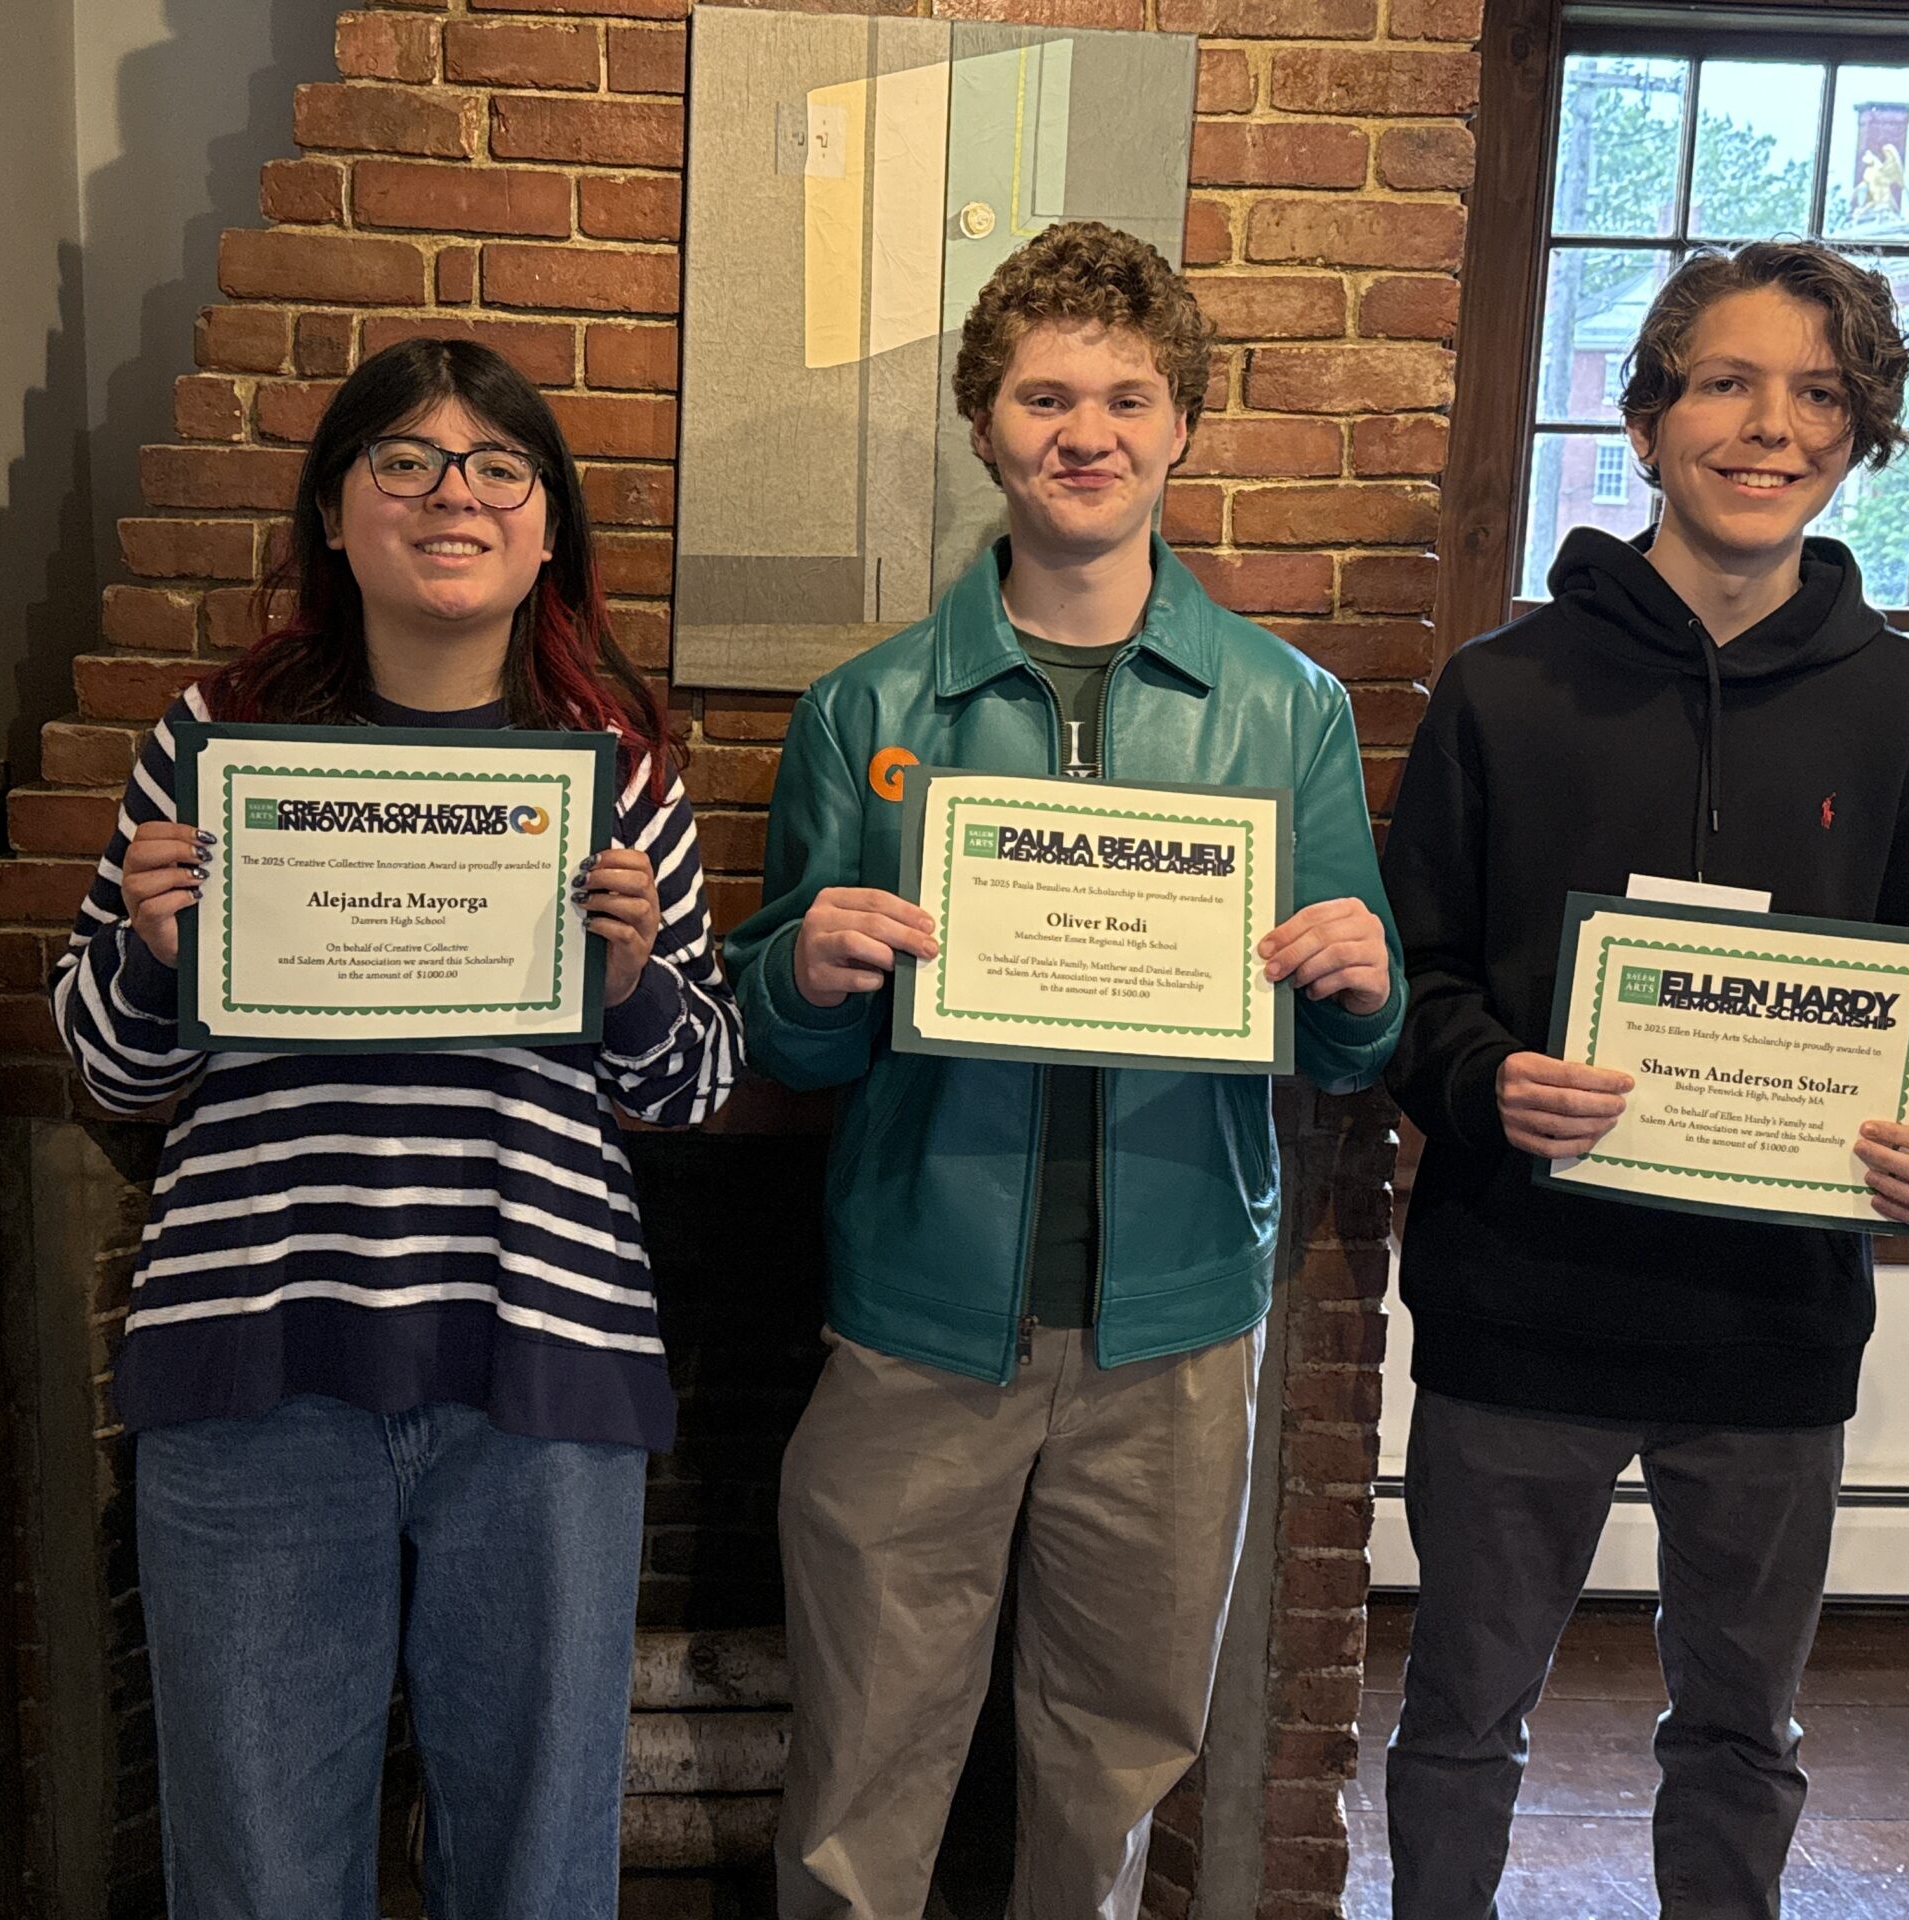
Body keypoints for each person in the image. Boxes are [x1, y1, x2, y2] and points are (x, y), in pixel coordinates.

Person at [724, 219, 1405, 1920]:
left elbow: (1350, 1035)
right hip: (916, 1314)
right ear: (985, 423)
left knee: (1115, 1757)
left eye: (1125, 395)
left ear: (1181, 427)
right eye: (1043, 395)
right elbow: (786, 1032)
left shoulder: (1287, 708)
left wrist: (1363, 979)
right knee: (863, 1764)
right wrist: (802, 968)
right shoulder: (865, 705)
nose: (1082, 431)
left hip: (1174, 1320)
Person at [51, 337, 742, 1920]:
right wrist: (154, 953)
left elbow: (695, 1082)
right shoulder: (212, 741)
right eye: (407, 463)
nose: (457, 496)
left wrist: (635, 982)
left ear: (549, 525)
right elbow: (108, 1063)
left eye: (501, 467)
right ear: (334, 511)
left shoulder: (617, 771)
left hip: (542, 1364)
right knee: (257, 1866)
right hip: (256, 1359)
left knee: (539, 1868)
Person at [1378, 240, 1909, 1920]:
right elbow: (1411, 985)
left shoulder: (1904, 708)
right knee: (1461, 1719)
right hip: (1525, 1306)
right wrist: (1488, 1079)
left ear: (1861, 434)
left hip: (1776, 1325)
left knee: (1743, 1732)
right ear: (1647, 417)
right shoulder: (1503, 688)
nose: (1769, 425)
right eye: (1726, 382)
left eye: (1818, 393)